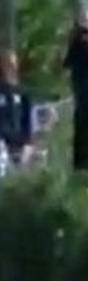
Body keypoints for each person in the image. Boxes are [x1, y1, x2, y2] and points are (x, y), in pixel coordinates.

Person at [0, 50, 33, 165]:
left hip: (19, 144)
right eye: (7, 65)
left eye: (12, 65)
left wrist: (27, 143)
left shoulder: (22, 93)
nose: (10, 69)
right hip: (1, 146)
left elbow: (27, 120)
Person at [63, 10, 88, 172]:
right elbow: (66, 63)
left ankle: (81, 162)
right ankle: (81, 162)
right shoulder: (77, 41)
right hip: (83, 90)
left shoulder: (76, 41)